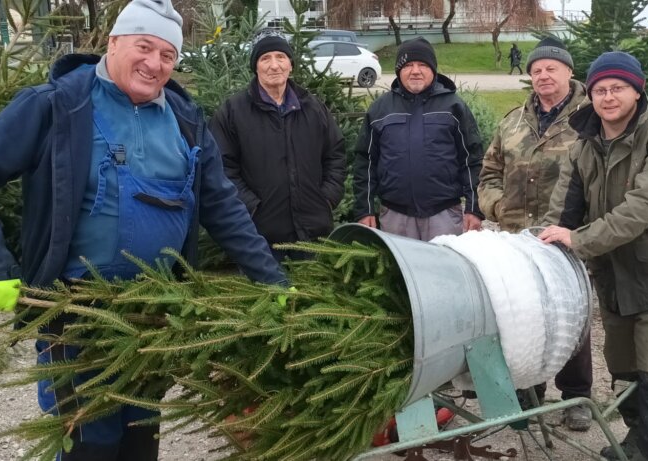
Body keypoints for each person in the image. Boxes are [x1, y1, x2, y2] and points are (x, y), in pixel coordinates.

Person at [0, 0, 286, 459]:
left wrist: (271, 277)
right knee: (89, 443)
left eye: (167, 56)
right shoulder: (58, 106)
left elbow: (223, 206)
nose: (154, 64)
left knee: (142, 435)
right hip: (78, 314)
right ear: (113, 42)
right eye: (144, 47)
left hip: (153, 316)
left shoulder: (186, 121)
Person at [539, 51, 648, 461]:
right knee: (624, 369)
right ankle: (637, 445)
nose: (608, 97)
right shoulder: (584, 146)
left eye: (618, 88)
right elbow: (562, 211)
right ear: (590, 95)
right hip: (613, 275)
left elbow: (643, 208)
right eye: (600, 90)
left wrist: (579, 241)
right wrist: (536, 248)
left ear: (637, 90)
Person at [477, 36, 594, 431]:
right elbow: (489, 172)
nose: (543, 75)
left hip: (564, 239)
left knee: (572, 319)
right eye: (537, 70)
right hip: (516, 240)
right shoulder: (512, 121)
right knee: (525, 316)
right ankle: (530, 392)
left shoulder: (590, 118)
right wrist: (496, 206)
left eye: (551, 68)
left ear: (568, 72)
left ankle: (577, 397)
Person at [210, 31, 346, 264]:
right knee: (270, 298)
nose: (274, 65)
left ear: (290, 64)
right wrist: (252, 207)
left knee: (314, 297)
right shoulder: (233, 112)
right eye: (265, 58)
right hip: (260, 236)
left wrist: (327, 199)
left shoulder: (313, 108)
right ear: (256, 66)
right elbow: (221, 167)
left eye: (281, 57)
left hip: (313, 234)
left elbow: (335, 154)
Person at [353, 37, 484, 241]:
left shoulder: (454, 107)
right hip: (395, 217)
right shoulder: (380, 109)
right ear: (399, 71)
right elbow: (365, 161)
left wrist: (474, 208)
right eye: (408, 65)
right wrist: (365, 209)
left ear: (433, 69)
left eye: (422, 64)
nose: (415, 70)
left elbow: (472, 159)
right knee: (401, 272)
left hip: (444, 215)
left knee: (445, 271)